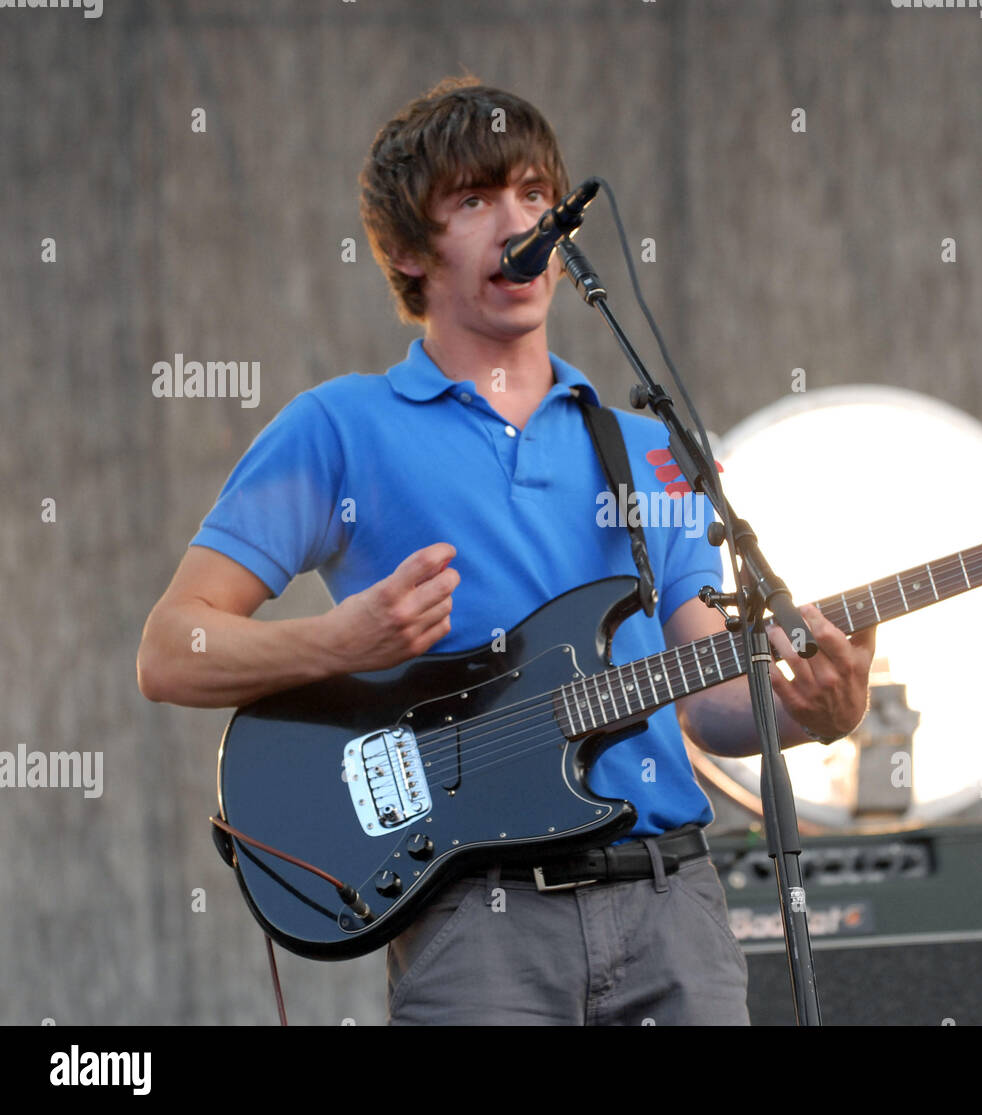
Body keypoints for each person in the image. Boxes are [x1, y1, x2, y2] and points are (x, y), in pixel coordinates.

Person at [137, 77, 876, 1025]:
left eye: (534, 195)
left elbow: (707, 699)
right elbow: (170, 648)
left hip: (672, 908)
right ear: (407, 250)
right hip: (476, 926)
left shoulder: (648, 446)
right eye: (477, 200)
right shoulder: (337, 429)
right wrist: (340, 642)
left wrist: (814, 711)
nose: (518, 222)